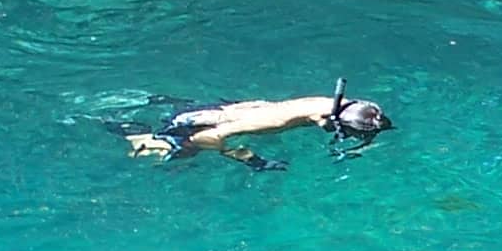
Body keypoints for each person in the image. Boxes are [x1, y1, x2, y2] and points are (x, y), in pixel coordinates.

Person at [126, 81, 391, 165]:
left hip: (210, 110)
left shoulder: (322, 104)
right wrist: (253, 161)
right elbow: (210, 138)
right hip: (191, 127)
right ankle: (129, 133)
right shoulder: (274, 122)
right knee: (160, 156)